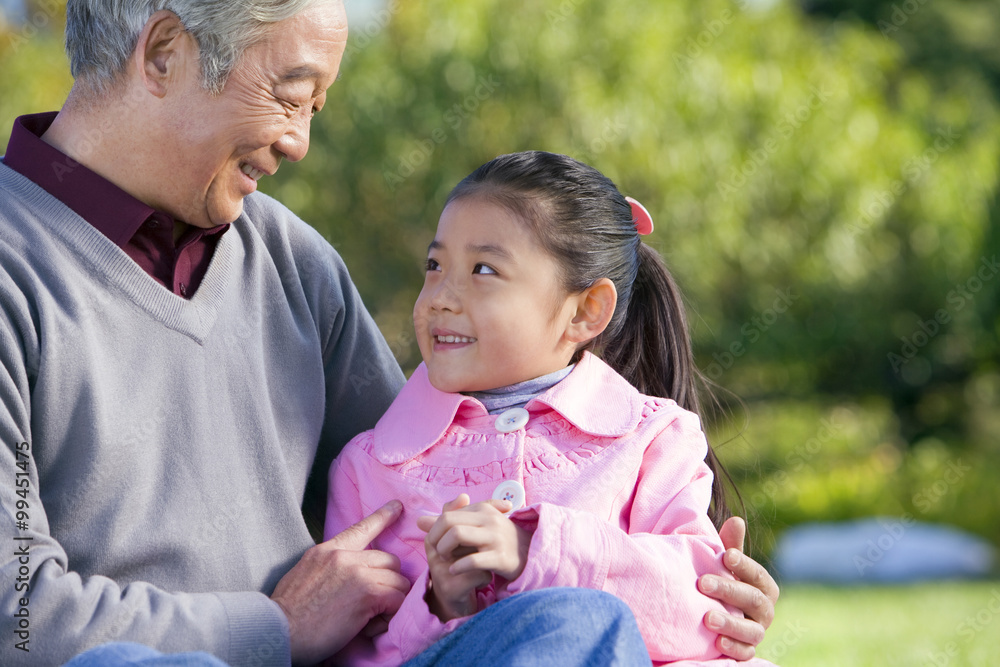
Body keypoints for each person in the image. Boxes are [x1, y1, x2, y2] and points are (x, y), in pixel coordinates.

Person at [0, 1, 777, 665]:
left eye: (315, 108)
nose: (299, 143)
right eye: (290, 94)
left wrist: (687, 587)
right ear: (165, 53)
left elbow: (433, 477)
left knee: (575, 622)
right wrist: (276, 628)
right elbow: (18, 620)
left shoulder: (292, 262)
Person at [324, 151, 778, 666]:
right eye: (434, 266)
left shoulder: (651, 439)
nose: (441, 297)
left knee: (587, 620)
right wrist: (442, 604)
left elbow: (707, 618)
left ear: (586, 311)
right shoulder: (369, 467)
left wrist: (534, 552)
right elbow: (347, 652)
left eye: (484, 269)